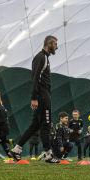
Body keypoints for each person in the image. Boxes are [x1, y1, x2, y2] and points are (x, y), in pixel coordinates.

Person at [9, 35, 59, 163]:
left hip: (43, 95)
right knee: (46, 124)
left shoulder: (45, 58)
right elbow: (35, 78)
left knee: (35, 125)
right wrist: (34, 98)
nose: (56, 47)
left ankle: (16, 150)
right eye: (55, 44)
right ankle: (49, 154)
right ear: (49, 43)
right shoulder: (41, 57)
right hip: (42, 97)